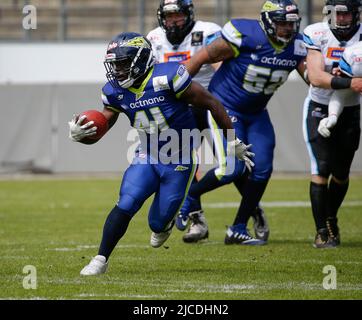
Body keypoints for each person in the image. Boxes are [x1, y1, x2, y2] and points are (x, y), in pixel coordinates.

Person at [68, 32, 254, 275]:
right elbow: (101, 127)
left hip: (179, 159)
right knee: (127, 202)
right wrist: (81, 134)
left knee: (157, 222)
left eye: (123, 64)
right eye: (115, 65)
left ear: (141, 60)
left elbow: (212, 103)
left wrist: (232, 140)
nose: (118, 71)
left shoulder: (168, 77)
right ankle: (100, 259)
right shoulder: (114, 92)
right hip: (147, 154)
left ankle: (163, 224)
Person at [178, 0, 308, 245]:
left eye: (291, 24)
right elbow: (201, 58)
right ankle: (190, 197)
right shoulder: (245, 35)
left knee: (263, 169)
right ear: (268, 22)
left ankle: (238, 227)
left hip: (257, 112)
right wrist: (176, 87)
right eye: (282, 23)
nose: (288, 29)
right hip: (225, 107)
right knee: (231, 170)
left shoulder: (297, 47)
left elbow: (313, 77)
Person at [146, 0, 222, 243]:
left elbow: (223, 67)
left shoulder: (208, 31)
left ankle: (251, 210)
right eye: (168, 16)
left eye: (178, 15)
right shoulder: (155, 38)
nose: (173, 21)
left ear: (188, 14)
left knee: (230, 163)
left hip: (210, 102)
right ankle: (197, 218)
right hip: (177, 110)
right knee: (182, 162)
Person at [303, 0, 362, 248]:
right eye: (336, 13)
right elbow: (315, 77)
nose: (341, 19)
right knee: (321, 168)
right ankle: (321, 231)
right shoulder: (316, 34)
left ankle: (331, 217)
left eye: (346, 13)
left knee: (341, 174)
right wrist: (351, 83)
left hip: (350, 109)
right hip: (319, 106)